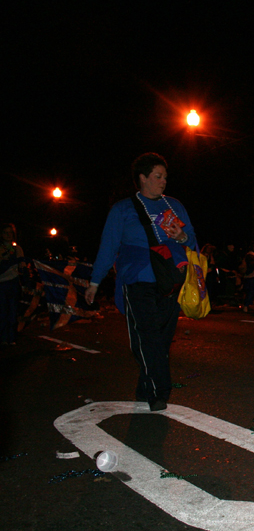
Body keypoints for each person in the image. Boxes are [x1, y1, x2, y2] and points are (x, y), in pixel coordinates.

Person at [85, 153, 196, 412]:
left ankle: (145, 385)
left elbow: (191, 240)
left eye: (165, 177)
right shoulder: (122, 209)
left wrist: (181, 236)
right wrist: (94, 282)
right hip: (137, 279)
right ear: (142, 178)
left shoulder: (175, 206)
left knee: (162, 339)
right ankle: (159, 391)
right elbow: (108, 247)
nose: (163, 182)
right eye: (157, 177)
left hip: (170, 281)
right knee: (146, 337)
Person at [0, 223, 25, 346]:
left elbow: (22, 267)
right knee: (3, 311)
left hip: (14, 282)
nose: (8, 235)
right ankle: (4, 338)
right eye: (5, 232)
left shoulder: (17, 249)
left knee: (13, 311)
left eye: (10, 232)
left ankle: (12, 337)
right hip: (2, 283)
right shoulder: (0, 249)